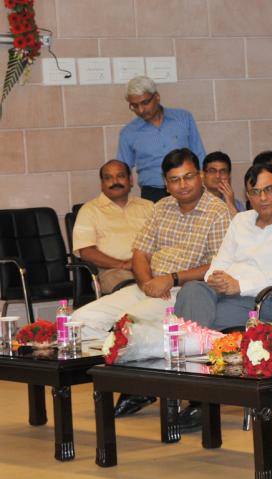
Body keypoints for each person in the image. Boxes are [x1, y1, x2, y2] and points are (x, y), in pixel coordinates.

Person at [72, 148, 230, 417]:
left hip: (182, 290)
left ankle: (136, 383)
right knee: (79, 322)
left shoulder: (217, 212)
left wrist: (171, 279)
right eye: (174, 180)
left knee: (127, 329)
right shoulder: (161, 207)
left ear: (200, 176)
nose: (182, 185)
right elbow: (140, 253)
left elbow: (218, 265)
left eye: (188, 177)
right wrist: (146, 282)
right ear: (166, 183)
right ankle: (133, 374)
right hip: (146, 286)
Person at [175, 162, 272, 330]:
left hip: (263, 300)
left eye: (269, 189)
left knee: (195, 317)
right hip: (221, 292)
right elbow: (220, 262)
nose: (262, 198)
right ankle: (198, 348)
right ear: (248, 196)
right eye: (255, 192)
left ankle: (193, 349)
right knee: (191, 290)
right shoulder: (240, 220)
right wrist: (215, 278)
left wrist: (240, 285)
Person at [117, 76, 206, 202]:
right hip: (153, 194)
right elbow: (121, 170)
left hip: (187, 187)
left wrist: (203, 186)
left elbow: (199, 154)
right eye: (134, 106)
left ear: (157, 97)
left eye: (145, 103)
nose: (141, 110)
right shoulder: (128, 133)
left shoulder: (183, 118)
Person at [72, 160, 154, 294]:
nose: (115, 181)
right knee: (132, 289)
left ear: (131, 180)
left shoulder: (149, 207)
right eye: (108, 178)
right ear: (102, 184)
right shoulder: (89, 211)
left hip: (153, 267)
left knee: (181, 283)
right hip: (113, 272)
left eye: (120, 176)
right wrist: (123, 265)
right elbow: (86, 252)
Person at [202, 151, 244, 217]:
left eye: (222, 171)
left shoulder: (237, 204)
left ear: (229, 176)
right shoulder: (195, 201)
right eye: (212, 171)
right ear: (203, 175)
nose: (218, 176)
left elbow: (242, 226)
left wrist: (231, 205)